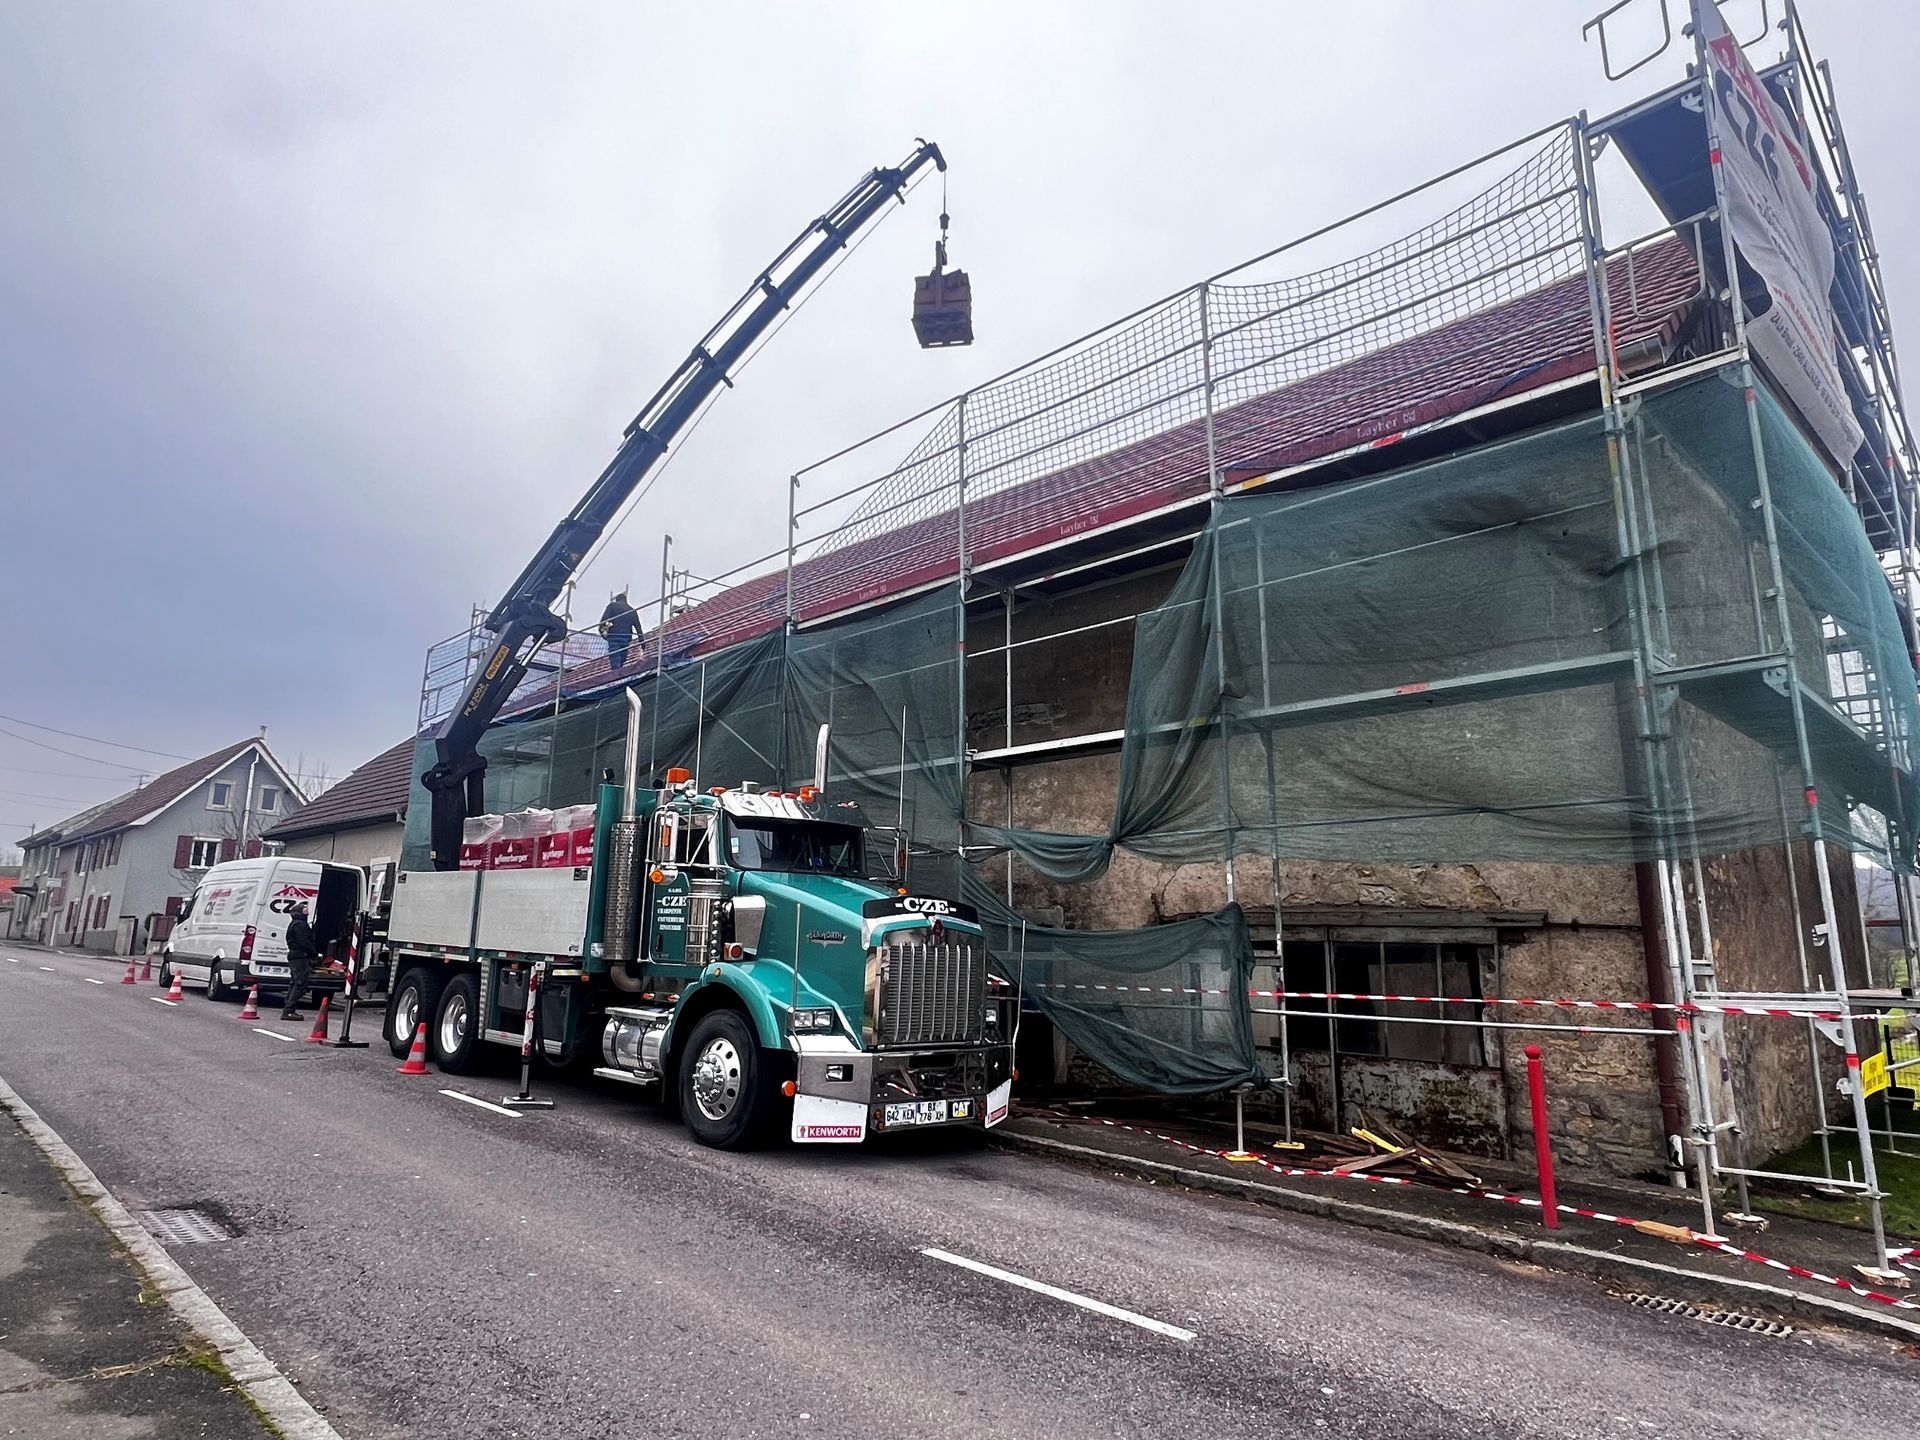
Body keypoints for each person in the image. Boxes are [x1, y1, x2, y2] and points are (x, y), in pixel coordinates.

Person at [281, 901, 320, 1021]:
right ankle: (289, 1010)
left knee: (294, 982)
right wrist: (315, 954)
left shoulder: (295, 923)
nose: (307, 911)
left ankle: (288, 1007)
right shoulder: (300, 925)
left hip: (295, 956)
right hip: (300, 957)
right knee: (300, 984)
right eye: (305, 909)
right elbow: (304, 942)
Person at [599, 590, 642, 673]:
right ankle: (619, 672)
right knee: (623, 657)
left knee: (615, 657)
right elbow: (638, 627)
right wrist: (642, 641)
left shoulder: (612, 606)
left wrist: (602, 633)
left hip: (614, 635)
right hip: (626, 637)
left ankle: (616, 673)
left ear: (617, 600)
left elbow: (603, 621)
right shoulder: (632, 610)